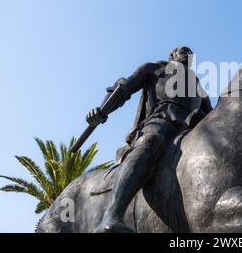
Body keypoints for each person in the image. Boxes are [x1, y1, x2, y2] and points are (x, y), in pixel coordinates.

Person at [86, 46, 212, 233]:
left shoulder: (198, 86)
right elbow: (123, 88)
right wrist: (102, 110)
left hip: (189, 129)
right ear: (172, 55)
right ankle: (112, 214)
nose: (188, 56)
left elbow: (211, 115)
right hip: (160, 122)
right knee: (151, 140)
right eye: (184, 51)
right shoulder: (154, 68)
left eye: (191, 55)